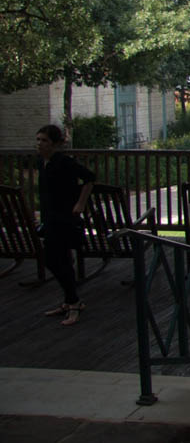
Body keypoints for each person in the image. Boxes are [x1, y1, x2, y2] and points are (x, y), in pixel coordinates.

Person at [35, 124, 95, 326]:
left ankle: (74, 303)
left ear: (55, 144)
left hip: (65, 218)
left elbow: (89, 178)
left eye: (44, 140)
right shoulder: (42, 163)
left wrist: (80, 203)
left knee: (58, 258)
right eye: (39, 140)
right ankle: (70, 301)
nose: (40, 144)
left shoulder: (64, 162)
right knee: (53, 259)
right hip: (50, 218)